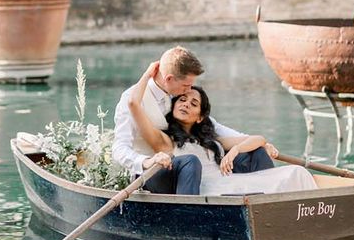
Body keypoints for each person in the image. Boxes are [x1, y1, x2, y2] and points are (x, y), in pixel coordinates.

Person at [128, 62, 318, 196]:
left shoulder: (211, 140)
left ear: (201, 117)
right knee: (289, 176)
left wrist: (235, 150)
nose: (186, 104)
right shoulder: (164, 140)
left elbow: (258, 139)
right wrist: (148, 75)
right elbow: (133, 104)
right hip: (209, 189)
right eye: (182, 100)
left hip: (229, 179)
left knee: (295, 172)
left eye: (194, 103)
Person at [113, 46, 265, 194]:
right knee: (190, 162)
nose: (189, 90)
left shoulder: (179, 95)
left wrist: (247, 141)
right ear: (169, 79)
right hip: (151, 173)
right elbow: (119, 148)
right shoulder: (132, 98)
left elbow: (214, 127)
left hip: (193, 167)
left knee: (255, 153)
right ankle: (189, 214)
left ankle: (271, 206)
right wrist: (145, 161)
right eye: (186, 85)